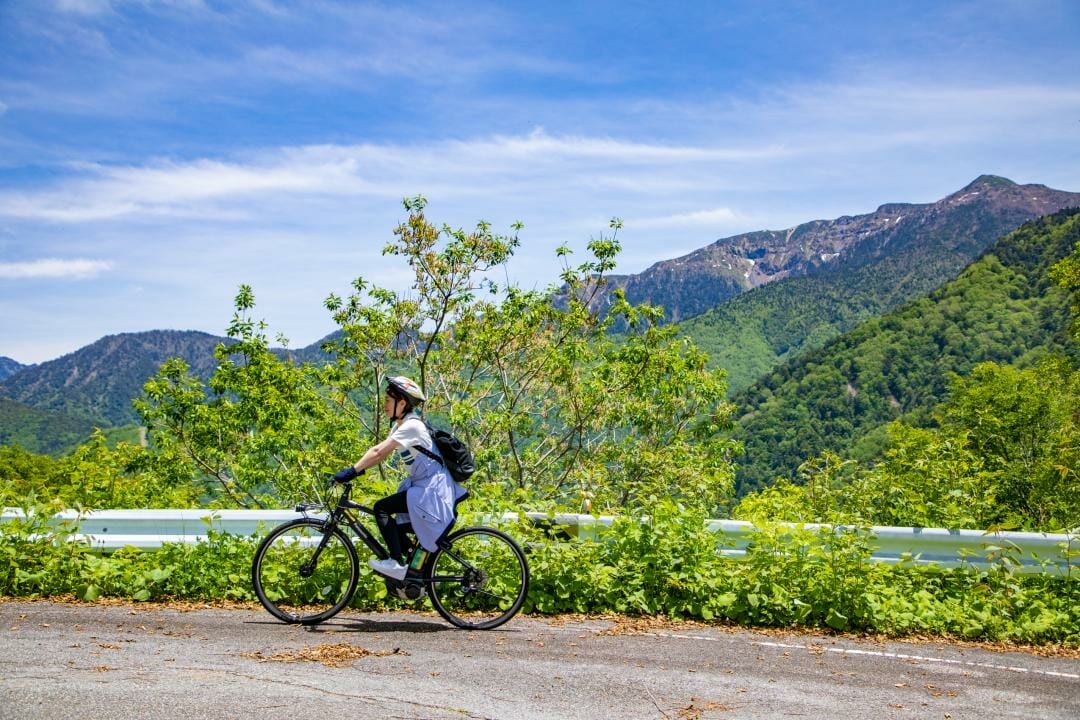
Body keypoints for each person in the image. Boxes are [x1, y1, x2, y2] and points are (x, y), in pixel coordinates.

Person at [332, 376, 467, 580]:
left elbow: (378, 452)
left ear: (402, 403)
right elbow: (382, 454)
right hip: (423, 490)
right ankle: (413, 570)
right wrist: (360, 470)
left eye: (388, 400)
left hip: (431, 491)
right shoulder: (400, 426)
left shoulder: (412, 426)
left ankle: (396, 563)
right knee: (395, 526)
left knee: (382, 508)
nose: (384, 405)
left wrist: (351, 470)